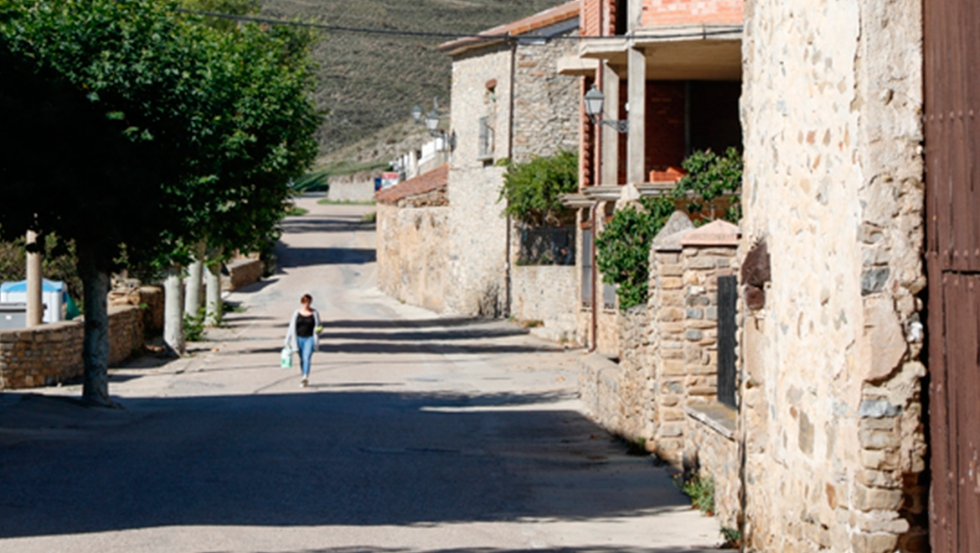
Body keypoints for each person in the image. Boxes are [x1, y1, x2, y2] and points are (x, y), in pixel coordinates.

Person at [285, 294, 321, 388]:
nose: (307, 303)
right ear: (302, 302)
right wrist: (287, 340)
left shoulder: (315, 313)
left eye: (308, 301)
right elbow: (291, 327)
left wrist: (319, 330)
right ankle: (303, 375)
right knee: (302, 359)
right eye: (305, 301)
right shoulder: (296, 313)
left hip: (310, 338)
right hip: (298, 339)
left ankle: (305, 376)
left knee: (307, 357)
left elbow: (319, 325)